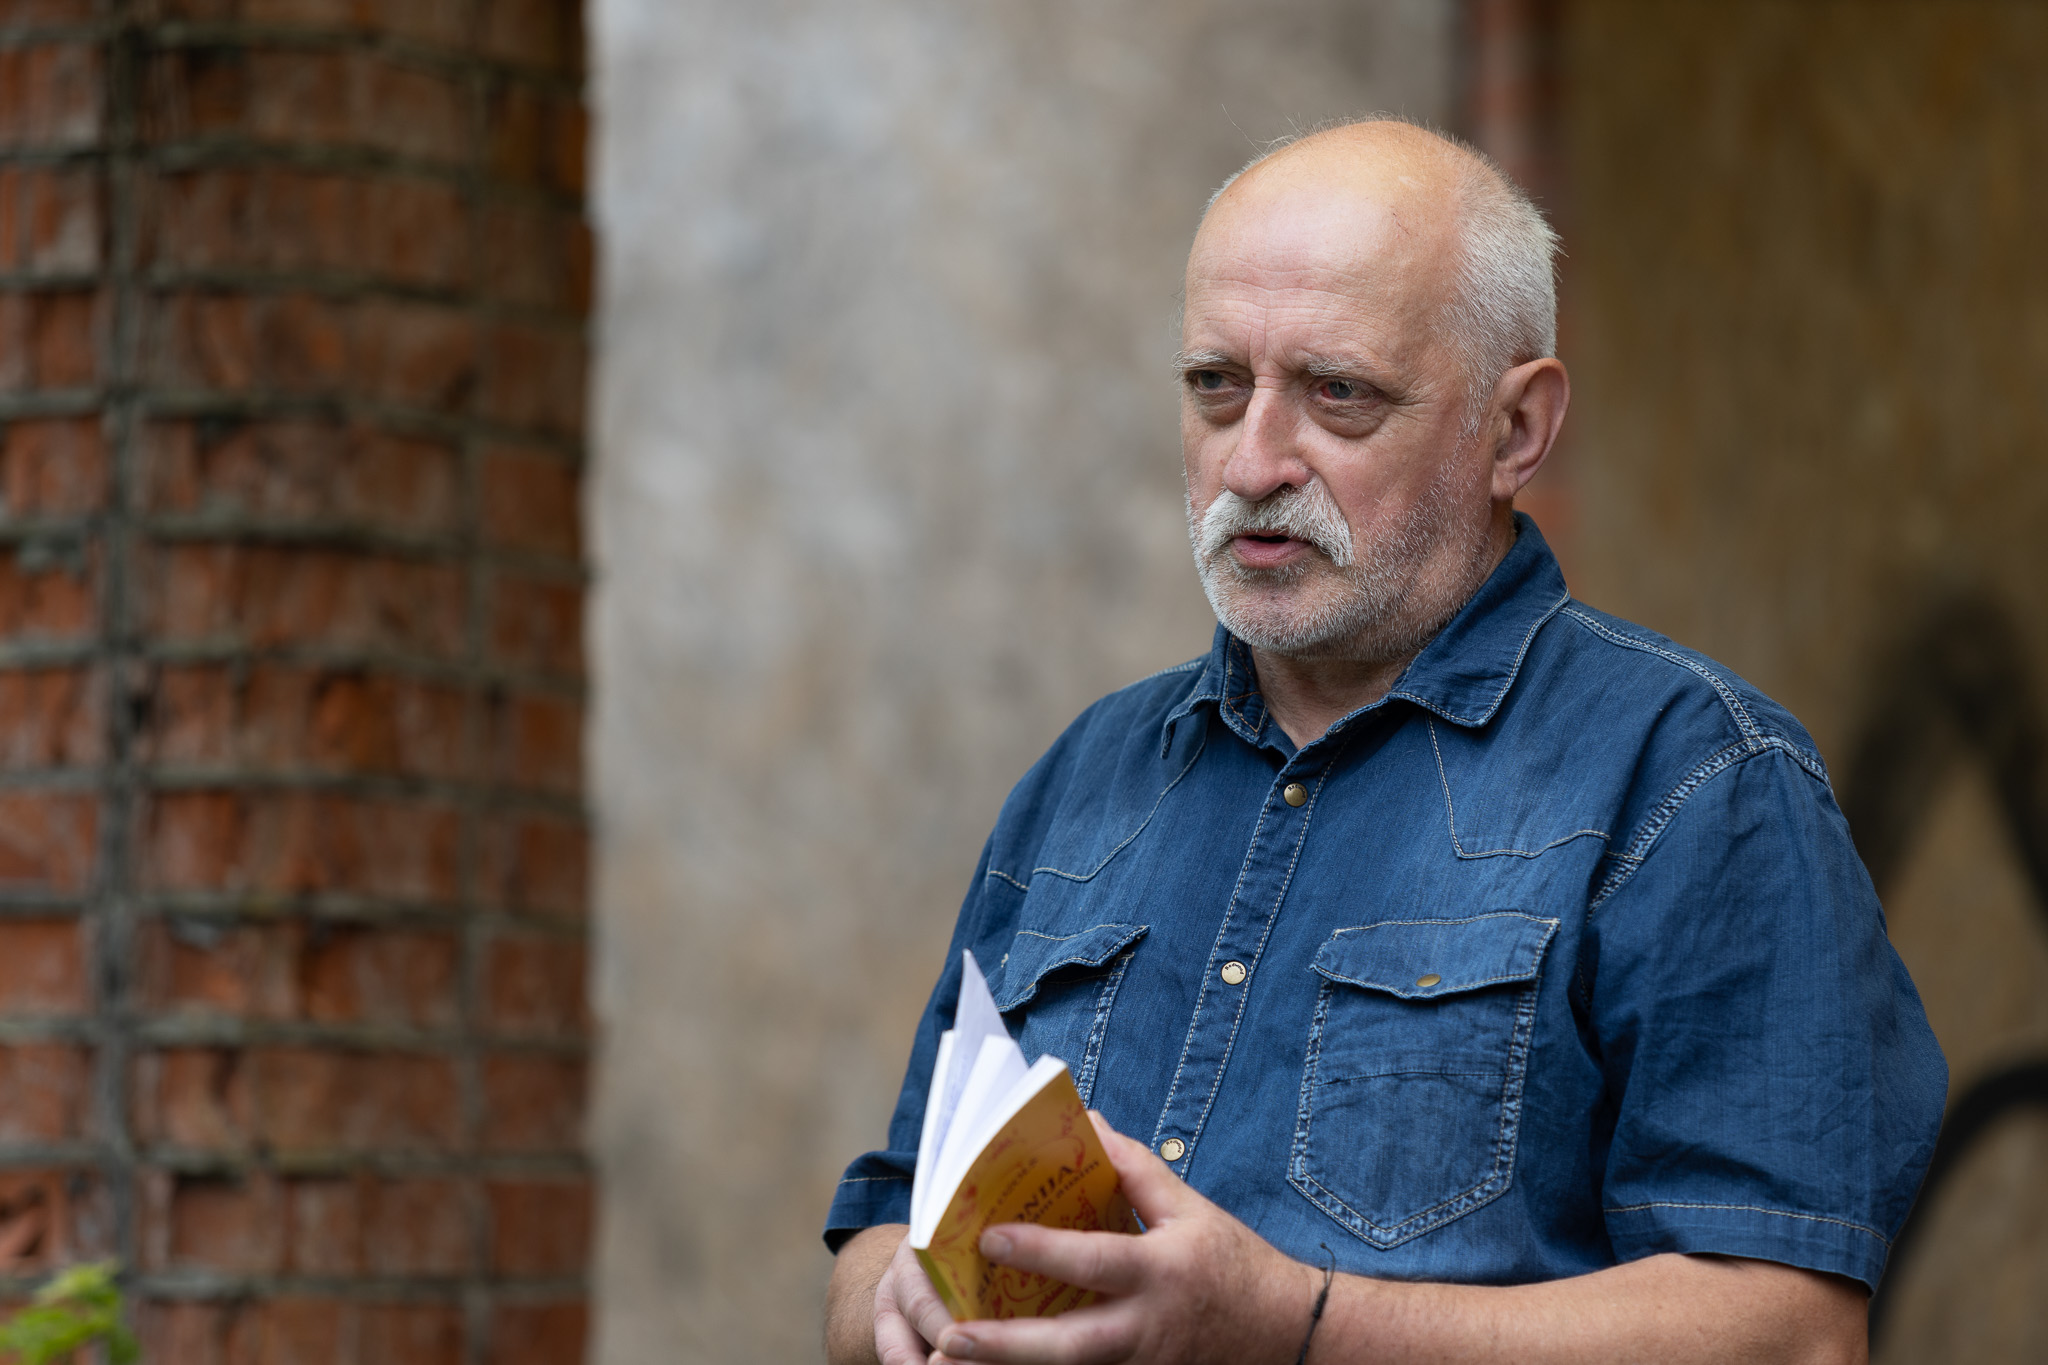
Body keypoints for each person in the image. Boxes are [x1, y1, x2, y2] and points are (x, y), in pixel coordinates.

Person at [821, 119, 1945, 1365]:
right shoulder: (1084, 780)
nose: (1251, 462)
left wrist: (1291, 1326)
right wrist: (903, 1306)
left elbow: (1790, 1336)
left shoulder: (1695, 780)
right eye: (1214, 386)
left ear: (1515, 433)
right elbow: (885, 1226)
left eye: (1337, 395)